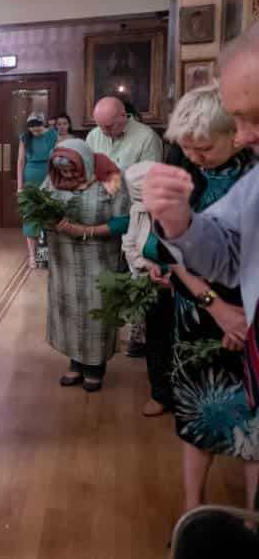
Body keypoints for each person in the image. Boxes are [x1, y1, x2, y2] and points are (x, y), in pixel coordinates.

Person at [146, 84, 259, 512]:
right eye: (187, 148)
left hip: (250, 314)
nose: (193, 157)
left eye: (204, 148)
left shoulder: (253, 180)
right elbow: (168, 247)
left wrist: (244, 318)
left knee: (253, 424)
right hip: (196, 313)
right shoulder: (183, 169)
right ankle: (193, 512)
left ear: (236, 134)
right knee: (196, 417)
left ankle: (251, 519)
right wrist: (216, 307)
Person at [43, 139, 129, 392]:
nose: (67, 175)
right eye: (63, 171)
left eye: (72, 169)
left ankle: (95, 367)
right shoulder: (53, 178)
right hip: (64, 259)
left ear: (86, 162)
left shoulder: (110, 178)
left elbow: (124, 221)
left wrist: (86, 230)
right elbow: (41, 205)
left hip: (99, 256)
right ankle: (75, 362)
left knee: (95, 311)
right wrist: (46, 220)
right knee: (69, 311)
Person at [121, 160, 170, 416]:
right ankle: (159, 394)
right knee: (156, 341)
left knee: (179, 341)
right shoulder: (138, 211)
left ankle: (184, 396)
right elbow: (129, 246)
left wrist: (175, 276)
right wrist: (147, 266)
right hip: (151, 284)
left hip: (184, 289)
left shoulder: (185, 210)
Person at [16, 113, 59, 267]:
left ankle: (44, 257)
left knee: (47, 219)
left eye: (39, 130)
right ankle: (32, 256)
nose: (36, 133)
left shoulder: (53, 135)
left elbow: (57, 158)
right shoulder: (25, 137)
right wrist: (20, 186)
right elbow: (21, 162)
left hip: (48, 178)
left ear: (44, 125)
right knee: (30, 218)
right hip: (30, 180)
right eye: (33, 131)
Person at [86, 96, 163, 170]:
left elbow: (150, 178)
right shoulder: (93, 135)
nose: (103, 132)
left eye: (109, 127)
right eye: (100, 126)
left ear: (123, 115)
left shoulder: (148, 137)